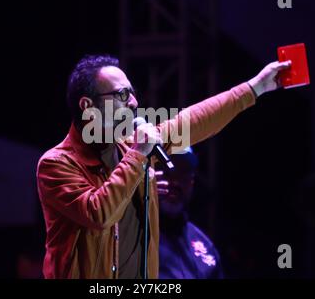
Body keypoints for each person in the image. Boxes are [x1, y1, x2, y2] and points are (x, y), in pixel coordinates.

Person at [36, 54, 291, 279]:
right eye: (122, 95)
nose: (134, 102)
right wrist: (137, 155)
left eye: (133, 93)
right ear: (87, 106)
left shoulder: (129, 146)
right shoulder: (57, 164)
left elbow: (193, 121)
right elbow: (98, 214)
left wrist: (255, 88)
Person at [156, 147, 224, 279]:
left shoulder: (204, 245)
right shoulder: (131, 233)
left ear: (192, 181)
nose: (174, 182)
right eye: (167, 171)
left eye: (182, 174)